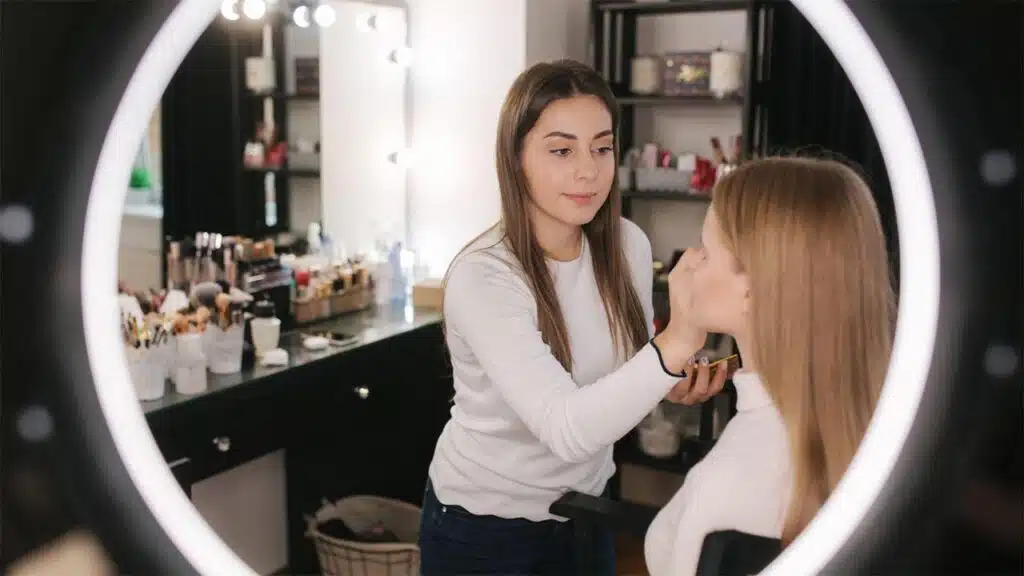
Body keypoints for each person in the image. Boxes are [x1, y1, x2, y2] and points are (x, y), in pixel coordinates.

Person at [417, 59, 723, 576]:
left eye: (601, 148)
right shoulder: (484, 278)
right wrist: (677, 343)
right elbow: (564, 428)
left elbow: (626, 366)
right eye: (562, 150)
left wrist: (669, 381)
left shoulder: (626, 244)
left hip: (584, 509)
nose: (589, 170)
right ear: (516, 160)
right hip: (484, 527)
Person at [644, 157, 897, 575]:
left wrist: (674, 341)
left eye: (705, 250)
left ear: (754, 286)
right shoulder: (883, 428)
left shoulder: (731, 485)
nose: (689, 262)